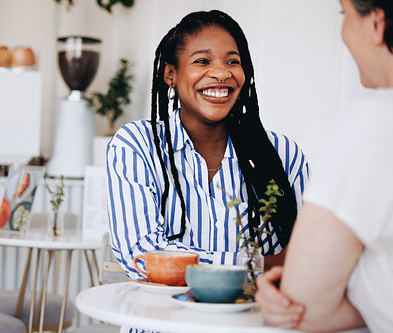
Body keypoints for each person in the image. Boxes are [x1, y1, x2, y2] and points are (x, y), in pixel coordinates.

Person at [106, 9, 309, 281]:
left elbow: (311, 256)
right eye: (202, 61)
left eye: (232, 62)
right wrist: (260, 265)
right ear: (171, 75)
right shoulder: (137, 146)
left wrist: (183, 260)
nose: (221, 73)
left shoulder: (284, 155)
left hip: (249, 323)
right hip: (161, 322)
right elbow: (143, 256)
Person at [255, 0, 393, 332]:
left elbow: (303, 309)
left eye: (344, 14)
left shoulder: (374, 123)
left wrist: (305, 282)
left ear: (376, 23)